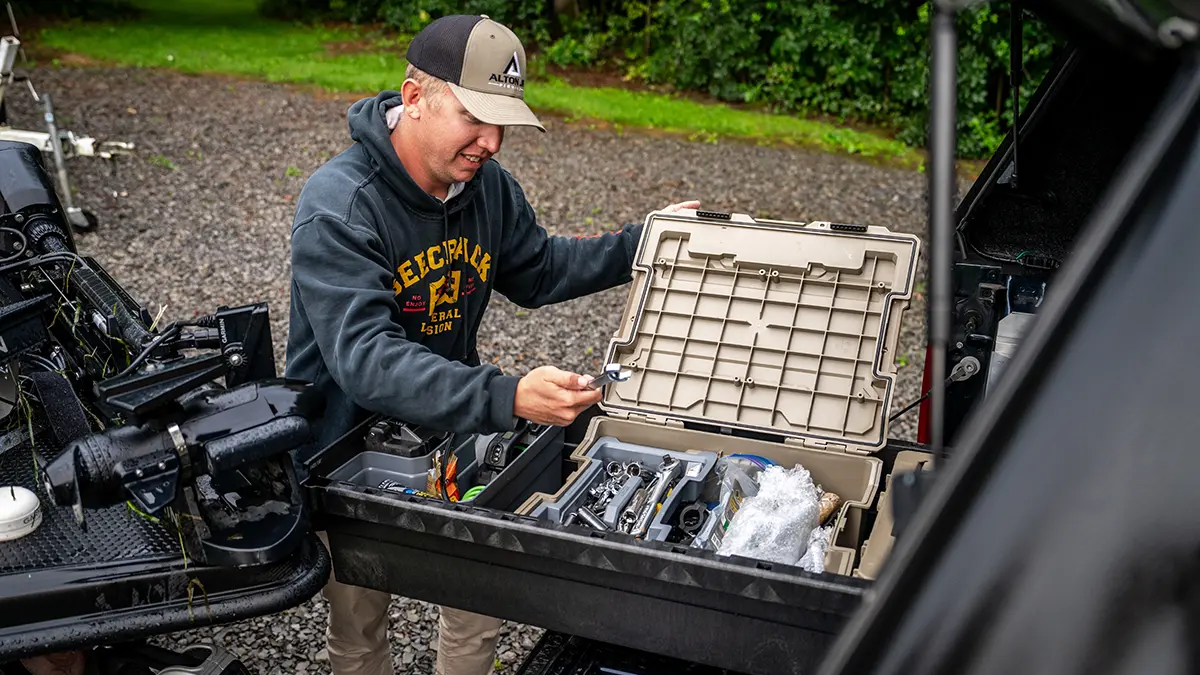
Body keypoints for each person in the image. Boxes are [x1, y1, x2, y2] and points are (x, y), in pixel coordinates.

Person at [284, 13, 698, 675]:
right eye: (475, 118)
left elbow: (537, 271)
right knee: (360, 623)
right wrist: (509, 395)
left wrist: (639, 245)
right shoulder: (341, 203)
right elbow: (368, 360)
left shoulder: (486, 187)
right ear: (414, 99)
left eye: (503, 123)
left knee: (477, 607)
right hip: (346, 455)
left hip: (455, 436)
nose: (493, 142)